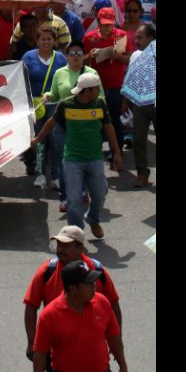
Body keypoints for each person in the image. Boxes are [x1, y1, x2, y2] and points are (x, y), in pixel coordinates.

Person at [31, 72, 122, 238]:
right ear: (87, 90)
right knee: (74, 200)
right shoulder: (66, 105)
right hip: (73, 159)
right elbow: (52, 122)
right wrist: (38, 139)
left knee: (99, 194)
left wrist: (116, 152)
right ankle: (75, 235)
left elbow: (109, 127)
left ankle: (93, 219)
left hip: (95, 158)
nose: (99, 91)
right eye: (96, 89)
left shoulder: (100, 103)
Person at [24, 226, 122, 372]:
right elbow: (31, 306)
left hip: (94, 355)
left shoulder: (97, 271)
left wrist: (116, 342)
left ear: (80, 247)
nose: (60, 250)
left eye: (66, 246)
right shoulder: (45, 272)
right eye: (59, 245)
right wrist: (31, 342)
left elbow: (113, 304)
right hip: (58, 353)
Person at [32, 260, 129, 372]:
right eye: (88, 283)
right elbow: (40, 354)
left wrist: (123, 366)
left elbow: (114, 337)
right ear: (72, 288)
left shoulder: (102, 302)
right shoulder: (49, 315)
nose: (94, 285)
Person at [42, 40, 105, 210]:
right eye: (72, 53)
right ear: (67, 56)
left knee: (84, 159)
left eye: (79, 53)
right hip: (63, 123)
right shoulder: (59, 73)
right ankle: (65, 198)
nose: (76, 56)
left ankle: (83, 191)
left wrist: (100, 122)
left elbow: (101, 98)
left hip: (86, 125)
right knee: (65, 160)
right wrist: (47, 95)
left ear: (84, 56)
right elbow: (54, 94)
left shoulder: (91, 73)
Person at [83, 7, 134, 157]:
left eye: (110, 24)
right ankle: (94, 152)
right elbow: (82, 61)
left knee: (115, 121)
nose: (107, 27)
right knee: (95, 121)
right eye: (104, 24)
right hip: (95, 86)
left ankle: (116, 152)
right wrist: (90, 56)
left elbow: (129, 59)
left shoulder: (122, 36)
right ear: (98, 22)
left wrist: (118, 56)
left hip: (116, 85)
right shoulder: (89, 37)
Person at [22, 26, 68, 187]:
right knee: (39, 141)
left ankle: (56, 176)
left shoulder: (61, 58)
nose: (46, 42)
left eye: (49, 39)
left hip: (55, 105)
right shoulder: (27, 57)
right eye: (43, 39)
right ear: (37, 41)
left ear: (54, 41)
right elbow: (20, 79)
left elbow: (65, 80)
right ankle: (40, 174)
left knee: (57, 141)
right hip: (36, 107)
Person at [122, 32, 156, 188]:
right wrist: (125, 101)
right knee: (139, 140)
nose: (136, 41)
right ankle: (142, 174)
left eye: (140, 37)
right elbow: (129, 77)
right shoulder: (135, 55)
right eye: (136, 38)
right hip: (139, 105)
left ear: (150, 38)